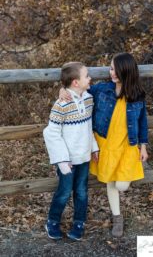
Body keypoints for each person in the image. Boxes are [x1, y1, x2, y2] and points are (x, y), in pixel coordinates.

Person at [59, 53, 148, 237]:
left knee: (122, 184)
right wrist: (64, 90)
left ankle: (117, 212)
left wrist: (144, 145)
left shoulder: (137, 95)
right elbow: (79, 92)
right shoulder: (102, 89)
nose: (111, 72)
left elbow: (142, 121)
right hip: (105, 144)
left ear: (126, 70)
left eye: (114, 69)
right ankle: (117, 217)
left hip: (127, 146)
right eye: (110, 68)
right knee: (110, 180)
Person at [43, 62, 99, 241]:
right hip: (66, 160)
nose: (90, 78)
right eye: (87, 76)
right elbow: (51, 133)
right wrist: (62, 160)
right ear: (76, 82)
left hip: (83, 156)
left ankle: (79, 222)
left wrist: (94, 147)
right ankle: (52, 221)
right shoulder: (61, 104)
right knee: (65, 191)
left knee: (81, 191)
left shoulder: (89, 99)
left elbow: (88, 127)